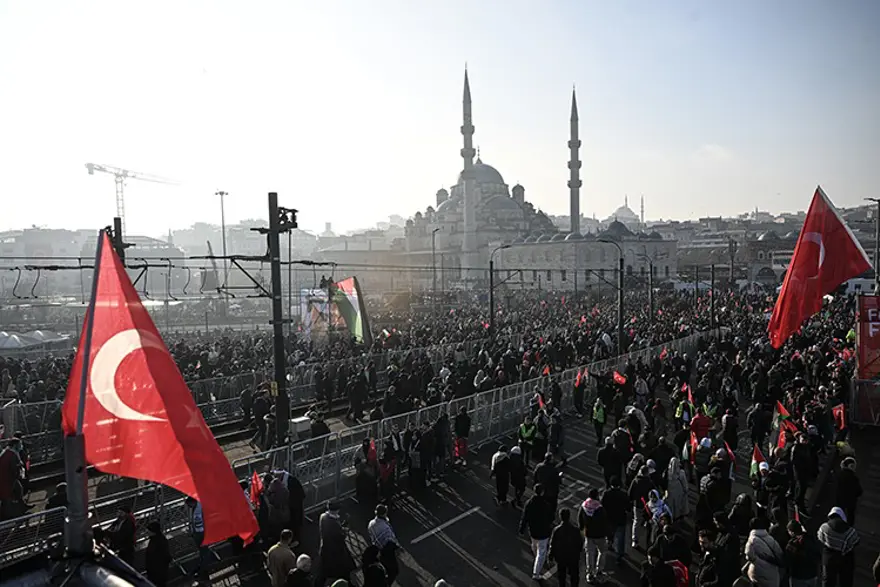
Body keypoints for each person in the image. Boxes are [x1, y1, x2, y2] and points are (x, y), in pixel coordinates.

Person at [519, 483, 554, 581]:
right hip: (543, 531)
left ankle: (538, 560)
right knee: (542, 551)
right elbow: (551, 517)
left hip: (533, 530)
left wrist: (522, 529)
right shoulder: (546, 504)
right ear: (542, 492)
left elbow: (524, 517)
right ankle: (536, 572)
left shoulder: (529, 503)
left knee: (534, 546)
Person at [816, 507, 859, 587]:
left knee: (828, 581)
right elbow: (855, 542)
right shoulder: (850, 531)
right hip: (845, 559)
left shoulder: (824, 527)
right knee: (845, 581)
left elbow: (820, 538)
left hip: (829, 558)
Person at [317, 502, 355, 585]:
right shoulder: (334, 523)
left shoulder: (323, 516)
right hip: (335, 551)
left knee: (323, 570)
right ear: (336, 510)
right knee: (342, 569)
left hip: (325, 548)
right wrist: (345, 530)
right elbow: (340, 536)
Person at [578, 488, 608, 584]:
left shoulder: (584, 505)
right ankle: (599, 570)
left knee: (589, 554)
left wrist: (581, 527)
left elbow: (580, 518)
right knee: (602, 552)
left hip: (589, 533)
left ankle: (590, 573)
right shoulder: (599, 508)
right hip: (600, 534)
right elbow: (604, 521)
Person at [744, 517, 784, 587]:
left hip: (758, 572)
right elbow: (779, 552)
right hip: (773, 570)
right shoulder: (771, 538)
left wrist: (757, 561)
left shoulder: (752, 540)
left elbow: (749, 555)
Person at [549, 508, 583, 587]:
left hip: (561, 557)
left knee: (562, 577)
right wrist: (578, 553)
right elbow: (580, 543)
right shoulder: (575, 530)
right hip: (573, 556)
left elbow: (552, 544)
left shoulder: (556, 530)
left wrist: (550, 556)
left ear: (560, 517)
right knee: (574, 576)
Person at [367, 504, 401, 584]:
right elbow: (391, 538)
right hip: (387, 549)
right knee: (394, 570)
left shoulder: (371, 523)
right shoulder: (385, 526)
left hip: (378, 548)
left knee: (386, 568)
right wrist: (397, 546)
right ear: (384, 513)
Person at [601, 476, 629, 565]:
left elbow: (602, 506)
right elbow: (628, 507)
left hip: (609, 518)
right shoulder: (623, 494)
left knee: (610, 533)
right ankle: (619, 555)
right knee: (620, 538)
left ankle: (609, 544)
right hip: (621, 518)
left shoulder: (606, 494)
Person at [784, 520, 819, 587]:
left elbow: (788, 560)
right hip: (812, 575)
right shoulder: (810, 538)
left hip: (798, 576)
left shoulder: (792, 543)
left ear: (792, 532)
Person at [833, 457, 862, 526]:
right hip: (851, 501)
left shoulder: (839, 475)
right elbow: (859, 491)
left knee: (839, 513)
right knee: (850, 516)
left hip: (840, 499)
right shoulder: (854, 478)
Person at [144, 521, 171, 587]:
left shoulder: (159, 541)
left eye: (149, 530)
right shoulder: (155, 539)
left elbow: (165, 556)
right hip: (155, 570)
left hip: (158, 571)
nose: (147, 532)